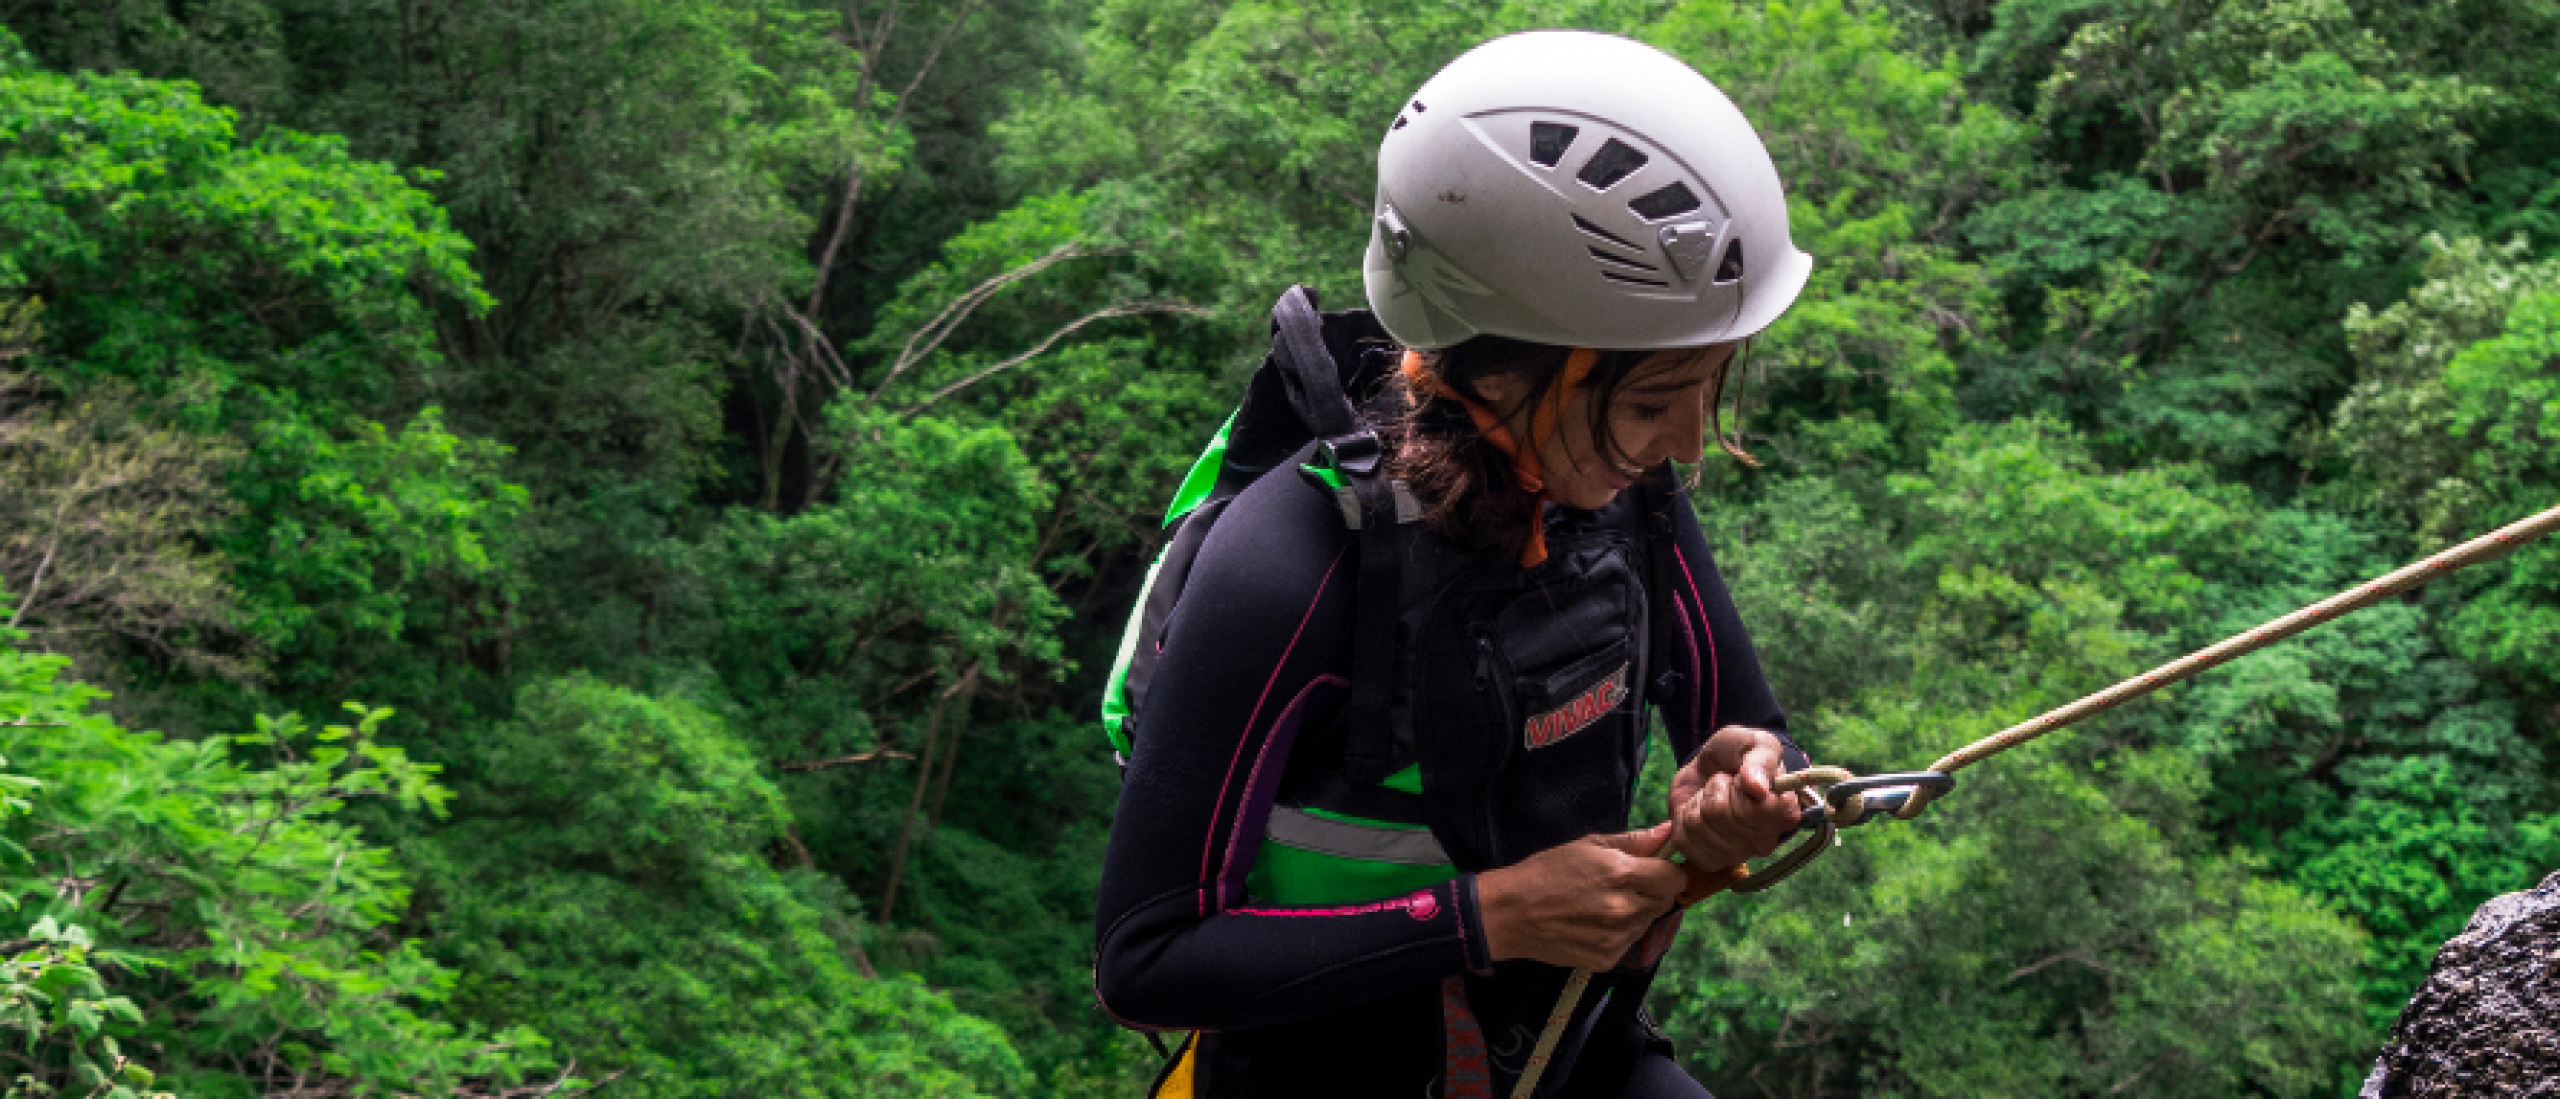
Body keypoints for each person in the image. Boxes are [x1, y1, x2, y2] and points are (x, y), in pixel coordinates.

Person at [1093, 30, 1815, 1098]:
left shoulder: (1615, 487)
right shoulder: (1290, 565)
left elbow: (1745, 737)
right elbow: (1144, 961)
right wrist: (1491, 914)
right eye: (1654, 402)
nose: (1685, 447)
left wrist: (1745, 786)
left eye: (1702, 393)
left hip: (1559, 1046)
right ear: (1518, 366)